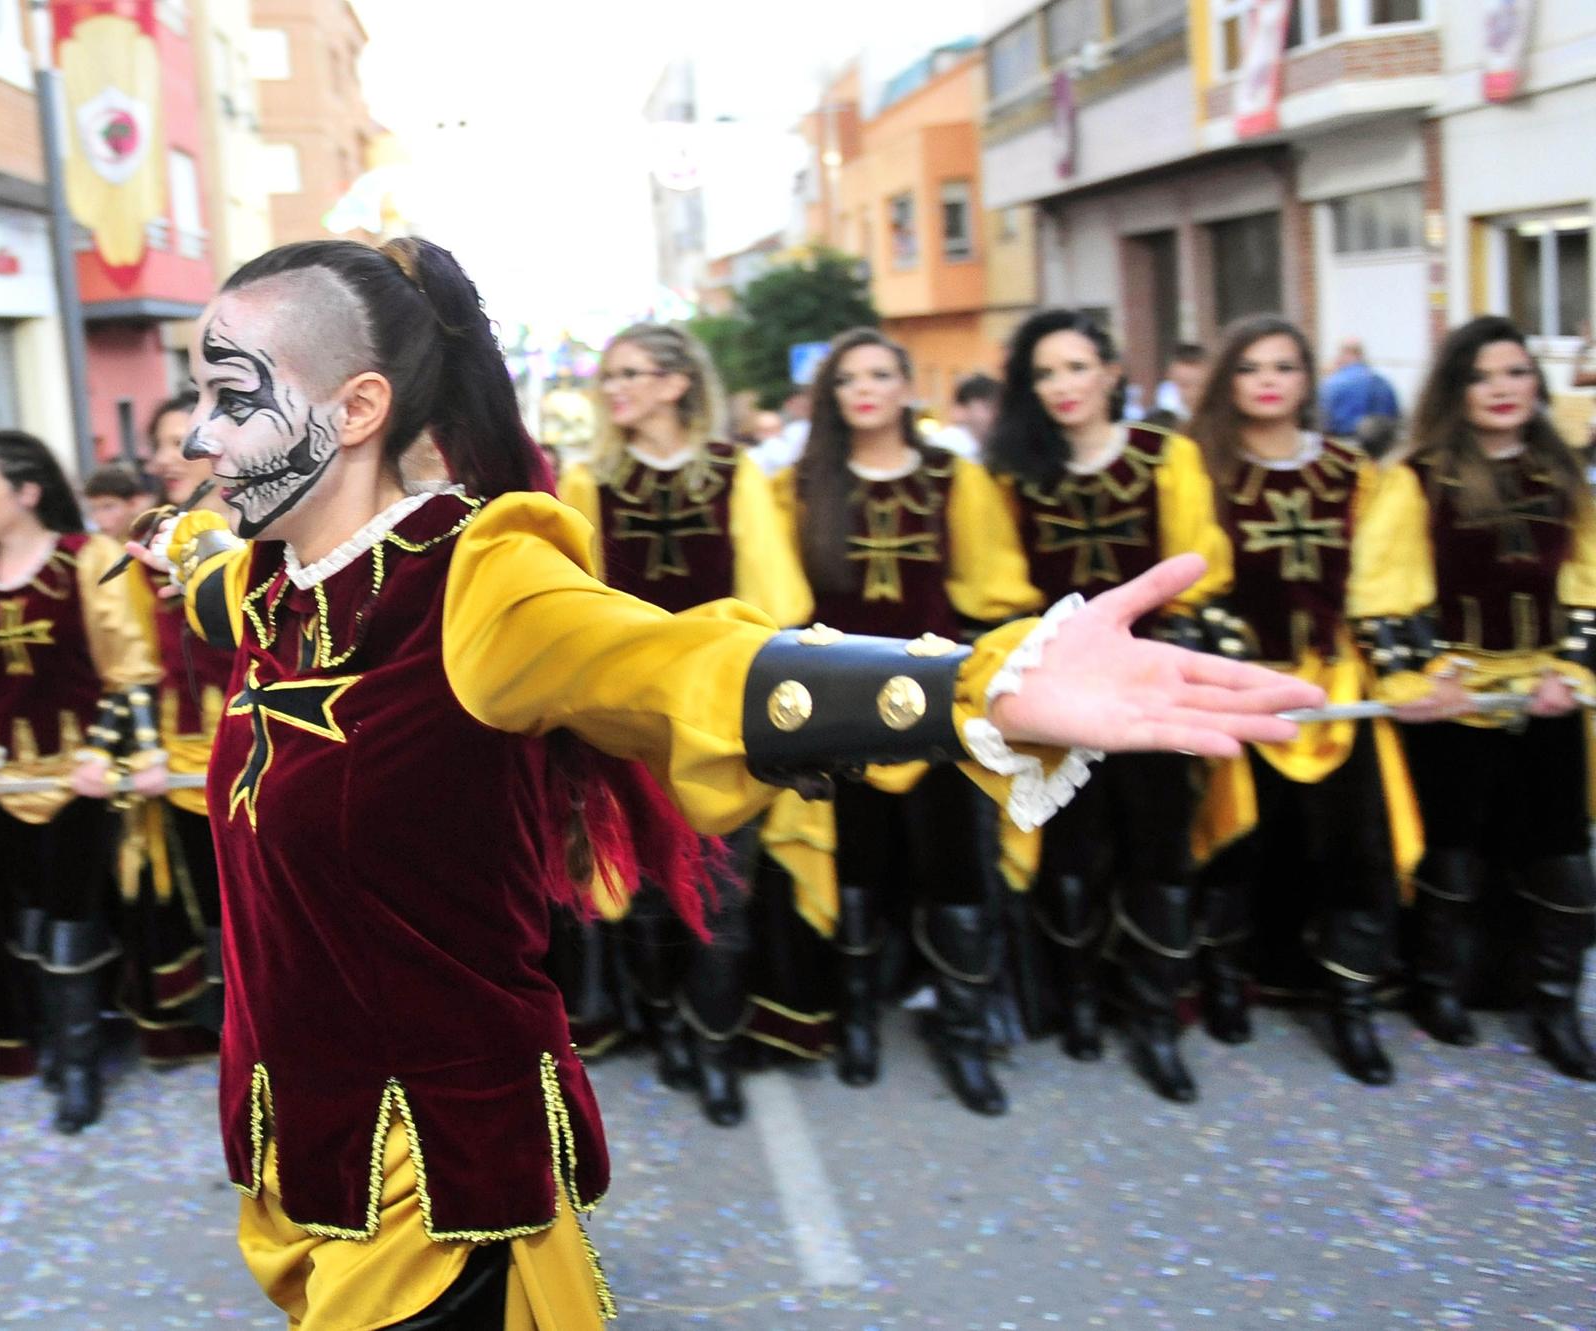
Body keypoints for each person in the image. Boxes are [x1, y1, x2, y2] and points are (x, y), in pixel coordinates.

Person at [125, 237, 1317, 1329]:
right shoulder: (283, 585)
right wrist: (173, 547)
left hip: (425, 1164)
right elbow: (205, 575)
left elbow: (688, 661)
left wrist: (977, 691)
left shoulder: (478, 582)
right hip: (300, 1119)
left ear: (358, 406)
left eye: (230, 399)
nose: (195, 436)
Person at [557, 321, 810, 1126]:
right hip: (627, 719)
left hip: (721, 715)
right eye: (610, 374)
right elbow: (574, 596)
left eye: (631, 372)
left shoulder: (735, 473)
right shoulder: (589, 481)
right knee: (647, 884)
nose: (614, 387)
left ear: (676, 383)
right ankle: (666, 1026)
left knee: (724, 886)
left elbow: (775, 597)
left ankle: (716, 1045)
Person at [982, 308, 1234, 1104]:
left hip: (1152, 690)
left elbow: (1201, 567)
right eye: (1044, 373)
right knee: (1071, 853)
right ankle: (1081, 1001)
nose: (1061, 387)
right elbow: (996, 588)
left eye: (1076, 367)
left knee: (1159, 851)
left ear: (1112, 372)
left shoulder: (1168, 455)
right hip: (1057, 695)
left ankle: (1155, 1018)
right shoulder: (1010, 474)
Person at [784, 328, 1036, 1113]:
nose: (865, 389)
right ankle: (857, 1016)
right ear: (830, 394)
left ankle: (964, 1033)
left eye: (881, 375)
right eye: (848, 377)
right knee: (855, 866)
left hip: (937, 701)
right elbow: (777, 599)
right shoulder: (799, 485)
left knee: (956, 864)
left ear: (905, 388)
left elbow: (994, 587)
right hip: (834, 706)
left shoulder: (950, 478)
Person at [1351, 315, 1596, 1081]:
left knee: (1563, 856)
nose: (1502, 389)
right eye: (1483, 376)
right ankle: (1440, 986)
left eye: (1516, 372)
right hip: (1453, 696)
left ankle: (1555, 1002)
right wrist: (1422, 679)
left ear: (1536, 383)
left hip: (1544, 692)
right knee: (1452, 850)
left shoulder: (1563, 477)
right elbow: (1381, 590)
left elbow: (1587, 581)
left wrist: (1572, 672)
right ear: (1457, 389)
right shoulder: (1416, 477)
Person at [1185, 316, 1420, 1085]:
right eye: (1251, 366)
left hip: (1334, 687)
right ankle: (1226, 979)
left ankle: (1350, 1007)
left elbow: (1384, 581)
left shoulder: (1355, 473)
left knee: (1352, 850)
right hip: (1238, 688)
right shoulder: (1204, 473)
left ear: (1307, 378)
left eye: (1285, 365)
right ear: (1229, 380)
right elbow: (1193, 579)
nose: (1268, 379)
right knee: (1241, 843)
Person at [0, 430, 165, 1132]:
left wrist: (102, 754)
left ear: (27, 492)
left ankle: (79, 1064)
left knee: (73, 917)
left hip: (79, 778)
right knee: (27, 916)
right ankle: (45, 1040)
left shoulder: (85, 559)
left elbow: (128, 670)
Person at [116, 391, 231, 1056]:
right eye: (157, 443)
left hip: (260, 745)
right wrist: (144, 744)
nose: (160, 458)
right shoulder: (151, 529)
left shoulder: (266, 526)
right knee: (203, 893)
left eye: (173, 441)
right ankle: (226, 1016)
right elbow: (135, 654)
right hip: (181, 754)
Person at [1319, 338, 1400, 436]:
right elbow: (1394, 417)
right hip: (1379, 446)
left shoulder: (1333, 383)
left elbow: (1321, 419)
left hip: (1341, 444)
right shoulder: (1383, 383)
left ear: (1345, 354)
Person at [931, 373, 1000, 461]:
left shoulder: (994, 448)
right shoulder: (944, 444)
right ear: (961, 409)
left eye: (999, 408)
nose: (996, 415)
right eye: (988, 407)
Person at [84, 464, 151, 544]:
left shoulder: (154, 540)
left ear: (133, 504)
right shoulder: (94, 548)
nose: (98, 518)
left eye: (108, 507)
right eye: (93, 509)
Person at [1155, 343, 1208, 424]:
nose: (1192, 393)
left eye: (1200, 385)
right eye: (1184, 385)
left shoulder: (1224, 422)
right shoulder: (1156, 424)